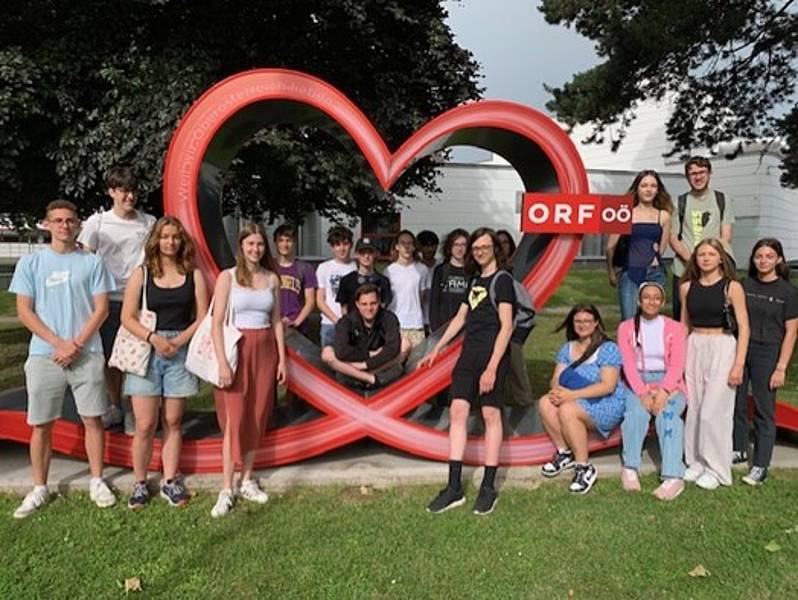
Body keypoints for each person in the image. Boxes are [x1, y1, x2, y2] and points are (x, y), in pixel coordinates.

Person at [10, 200, 117, 518]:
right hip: (44, 355)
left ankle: (97, 480)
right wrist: (58, 343)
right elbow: (24, 311)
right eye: (57, 221)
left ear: (78, 224)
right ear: (46, 224)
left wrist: (77, 344)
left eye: (70, 220)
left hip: (87, 353)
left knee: (93, 420)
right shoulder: (31, 264)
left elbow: (101, 309)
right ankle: (39, 487)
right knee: (41, 424)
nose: (64, 226)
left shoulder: (92, 262)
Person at [419, 228, 514, 516]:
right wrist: (437, 348)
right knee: (458, 411)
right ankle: (454, 487)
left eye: (485, 247)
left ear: (495, 249)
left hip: (493, 356)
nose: (480, 252)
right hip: (468, 355)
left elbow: (506, 327)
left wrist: (492, 368)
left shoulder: (503, 280)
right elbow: (460, 318)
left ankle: (488, 487)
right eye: (476, 248)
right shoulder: (474, 280)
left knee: (490, 415)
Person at [121, 216, 208, 509]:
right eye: (165, 236)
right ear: (156, 240)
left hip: (179, 351)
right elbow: (127, 317)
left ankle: (170, 480)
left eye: (175, 237)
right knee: (145, 424)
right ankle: (140, 482)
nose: (170, 242)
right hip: (147, 349)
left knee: (173, 420)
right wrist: (154, 339)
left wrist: (179, 341)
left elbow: (202, 316)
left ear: (182, 242)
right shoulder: (142, 274)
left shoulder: (193, 275)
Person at [210, 223, 286, 517]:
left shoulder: (272, 279)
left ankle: (247, 480)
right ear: (241, 246)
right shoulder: (227, 277)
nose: (255, 249)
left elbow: (277, 321)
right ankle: (226, 487)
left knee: (257, 415)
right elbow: (217, 323)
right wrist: (222, 361)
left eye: (260, 244)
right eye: (250, 244)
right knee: (234, 418)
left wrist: (282, 359)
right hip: (236, 347)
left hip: (265, 349)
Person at [78, 165, 156, 433]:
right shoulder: (97, 223)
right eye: (123, 190)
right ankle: (115, 406)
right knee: (111, 358)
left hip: (139, 300)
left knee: (137, 357)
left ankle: (135, 410)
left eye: (133, 191)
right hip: (107, 300)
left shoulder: (149, 223)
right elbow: (84, 260)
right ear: (111, 192)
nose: (129, 196)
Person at [679, 238, 749, 490]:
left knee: (714, 411)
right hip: (695, 345)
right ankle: (696, 461)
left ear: (720, 258)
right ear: (695, 259)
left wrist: (738, 364)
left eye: (711, 254)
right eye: (701, 254)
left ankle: (717, 468)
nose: (706, 258)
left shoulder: (732, 287)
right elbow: (683, 324)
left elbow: (744, 327)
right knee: (695, 408)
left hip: (722, 345)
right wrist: (679, 359)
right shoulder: (686, 287)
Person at [538, 305, 626, 494]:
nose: (582, 325)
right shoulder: (567, 348)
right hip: (574, 397)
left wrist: (570, 395)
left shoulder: (608, 348)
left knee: (567, 409)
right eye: (578, 321)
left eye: (587, 321)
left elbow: (608, 386)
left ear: (596, 323)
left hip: (606, 401)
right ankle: (564, 452)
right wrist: (555, 391)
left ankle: (584, 467)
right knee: (545, 402)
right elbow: (556, 378)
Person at [732, 238, 798, 485]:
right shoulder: (744, 285)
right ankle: (738, 449)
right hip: (742, 348)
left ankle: (760, 464)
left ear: (779, 259)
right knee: (737, 402)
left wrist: (781, 367)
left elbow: (791, 333)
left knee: (764, 408)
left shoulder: (788, 292)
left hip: (768, 352)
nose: (763, 261)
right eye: (759, 256)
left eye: (769, 256)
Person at [618, 282, 688, 500]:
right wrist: (642, 392)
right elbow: (628, 364)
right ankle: (630, 466)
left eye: (656, 298)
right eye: (646, 297)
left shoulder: (676, 328)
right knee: (636, 414)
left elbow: (677, 365)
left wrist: (664, 391)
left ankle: (673, 475)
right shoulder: (626, 328)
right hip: (638, 380)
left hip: (670, 381)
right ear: (639, 301)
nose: (651, 302)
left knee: (668, 415)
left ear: (663, 302)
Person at [670, 156, 735, 320]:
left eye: (702, 172)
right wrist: (693, 261)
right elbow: (673, 238)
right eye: (693, 173)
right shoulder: (679, 202)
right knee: (682, 317)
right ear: (687, 177)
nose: (698, 177)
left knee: (715, 317)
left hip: (715, 272)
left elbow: (725, 237)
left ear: (709, 173)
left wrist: (712, 261)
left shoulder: (722, 200)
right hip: (684, 269)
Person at [606, 170, 672, 320]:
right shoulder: (624, 213)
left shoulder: (663, 216)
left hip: (655, 273)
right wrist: (611, 272)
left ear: (658, 190)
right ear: (637, 188)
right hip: (630, 273)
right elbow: (610, 247)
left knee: (651, 321)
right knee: (629, 320)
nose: (649, 189)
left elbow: (662, 248)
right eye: (644, 185)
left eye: (653, 186)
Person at [322, 283, 410, 388]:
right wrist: (369, 354)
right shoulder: (346, 321)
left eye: (373, 303)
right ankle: (368, 378)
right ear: (357, 304)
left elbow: (392, 348)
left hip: (378, 365)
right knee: (327, 354)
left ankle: (366, 375)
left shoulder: (389, 318)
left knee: (405, 344)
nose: (369, 308)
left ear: (379, 302)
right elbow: (341, 351)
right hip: (355, 364)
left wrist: (366, 365)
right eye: (364, 304)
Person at [494, 229, 533, 411]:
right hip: (491, 330)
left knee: (517, 372)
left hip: (513, 330)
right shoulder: (486, 269)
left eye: (505, 242)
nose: (502, 246)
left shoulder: (517, 270)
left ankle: (525, 409)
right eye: (498, 243)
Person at [386, 230, 431, 348]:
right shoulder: (389, 271)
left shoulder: (422, 270)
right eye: (403, 243)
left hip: (416, 324)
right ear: (397, 247)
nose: (406, 247)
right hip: (395, 324)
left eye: (410, 243)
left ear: (414, 247)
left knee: (417, 358)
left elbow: (423, 297)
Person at [315, 226, 356, 348]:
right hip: (329, 323)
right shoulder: (324, 268)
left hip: (353, 324)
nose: (342, 248)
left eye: (345, 244)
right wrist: (336, 320)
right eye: (337, 245)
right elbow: (320, 300)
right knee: (328, 357)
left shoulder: (357, 267)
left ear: (351, 245)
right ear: (332, 247)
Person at [273, 224, 317, 336]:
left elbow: (310, 301)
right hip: (273, 324)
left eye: (288, 240)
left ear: (294, 242)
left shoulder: (305, 268)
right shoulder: (269, 267)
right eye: (281, 240)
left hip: (298, 326)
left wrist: (296, 322)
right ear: (275, 243)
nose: (285, 244)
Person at [336, 237, 392, 313]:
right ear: (356, 255)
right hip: (353, 320)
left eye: (370, 252)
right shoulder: (346, 281)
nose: (366, 256)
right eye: (362, 253)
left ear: (375, 254)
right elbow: (344, 308)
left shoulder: (383, 281)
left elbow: (384, 307)